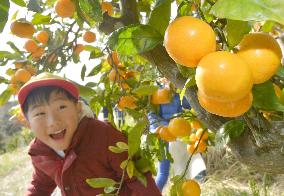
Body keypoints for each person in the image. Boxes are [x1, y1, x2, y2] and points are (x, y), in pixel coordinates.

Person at [18, 72, 161, 196]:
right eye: (40, 113)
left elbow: (137, 179)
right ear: (28, 124)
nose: (53, 121)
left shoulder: (104, 136)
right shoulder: (41, 152)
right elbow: (40, 186)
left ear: (78, 109)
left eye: (61, 107)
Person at [148, 86, 206, 191]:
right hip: (165, 136)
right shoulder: (159, 93)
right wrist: (163, 128)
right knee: (163, 173)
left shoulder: (185, 92)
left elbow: (193, 112)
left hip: (185, 138)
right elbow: (152, 116)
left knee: (189, 170)